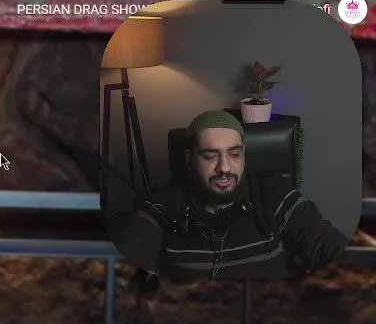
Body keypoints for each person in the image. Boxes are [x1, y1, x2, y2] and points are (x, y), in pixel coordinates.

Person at [106, 110, 350, 279]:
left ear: (244, 154)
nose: (224, 168)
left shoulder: (273, 194)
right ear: (190, 160)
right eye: (210, 155)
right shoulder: (163, 204)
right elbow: (132, 252)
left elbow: (329, 247)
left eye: (234, 154)